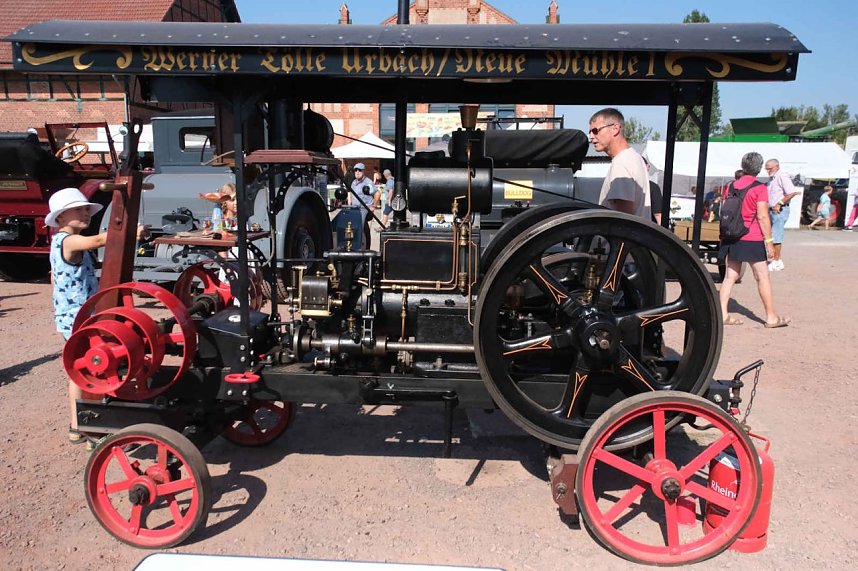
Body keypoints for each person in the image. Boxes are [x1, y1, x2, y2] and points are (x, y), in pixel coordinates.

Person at [47, 187, 149, 448]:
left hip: (81, 315)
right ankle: (85, 427)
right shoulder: (65, 241)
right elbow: (96, 241)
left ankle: (81, 425)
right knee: (86, 369)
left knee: (82, 370)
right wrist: (127, 231)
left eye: (86, 209)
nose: (85, 213)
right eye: (78, 209)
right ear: (60, 217)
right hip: (77, 318)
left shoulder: (64, 243)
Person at [718, 153, 790, 329]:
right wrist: (769, 241)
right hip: (752, 237)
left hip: (732, 236)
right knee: (762, 276)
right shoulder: (759, 188)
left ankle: (723, 314)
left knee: (730, 277)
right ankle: (771, 317)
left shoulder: (730, 185)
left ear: (743, 165)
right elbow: (763, 216)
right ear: (758, 168)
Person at [588, 108, 650, 219]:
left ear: (615, 129)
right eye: (590, 132)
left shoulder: (621, 163)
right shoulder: (634, 157)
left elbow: (623, 221)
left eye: (595, 131)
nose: (591, 136)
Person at [764, 158, 799, 271]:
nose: (768, 170)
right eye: (767, 168)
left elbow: (792, 192)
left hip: (779, 210)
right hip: (771, 209)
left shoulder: (782, 176)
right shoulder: (772, 178)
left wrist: (779, 203)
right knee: (770, 235)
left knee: (776, 236)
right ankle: (775, 259)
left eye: (770, 168)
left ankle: (776, 260)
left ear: (777, 166)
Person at [348, 162, 375, 246]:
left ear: (363, 171)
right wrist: (350, 205)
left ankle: (359, 245)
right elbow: (351, 194)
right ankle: (363, 245)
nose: (357, 172)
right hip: (354, 208)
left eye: (359, 170)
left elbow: (377, 193)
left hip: (364, 208)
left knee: (360, 225)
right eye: (355, 170)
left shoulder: (368, 182)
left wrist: (373, 206)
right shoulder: (353, 182)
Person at [641, 157, 662, 225]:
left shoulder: (653, 188)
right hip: (647, 229)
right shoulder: (652, 187)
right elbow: (658, 215)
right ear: (648, 167)